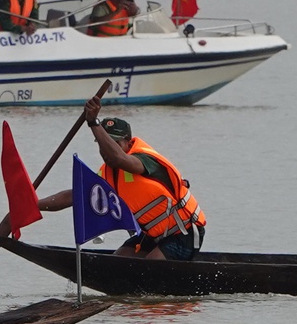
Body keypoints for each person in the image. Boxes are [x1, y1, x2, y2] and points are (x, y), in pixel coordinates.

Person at [37, 99, 205, 260]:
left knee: (150, 267)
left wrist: (93, 122)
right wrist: (33, 205)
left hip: (185, 233)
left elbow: (118, 159)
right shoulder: (107, 174)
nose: (106, 150)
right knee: (118, 261)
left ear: (128, 142)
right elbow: (73, 196)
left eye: (114, 143)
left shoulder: (144, 160)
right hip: (153, 234)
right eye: (103, 145)